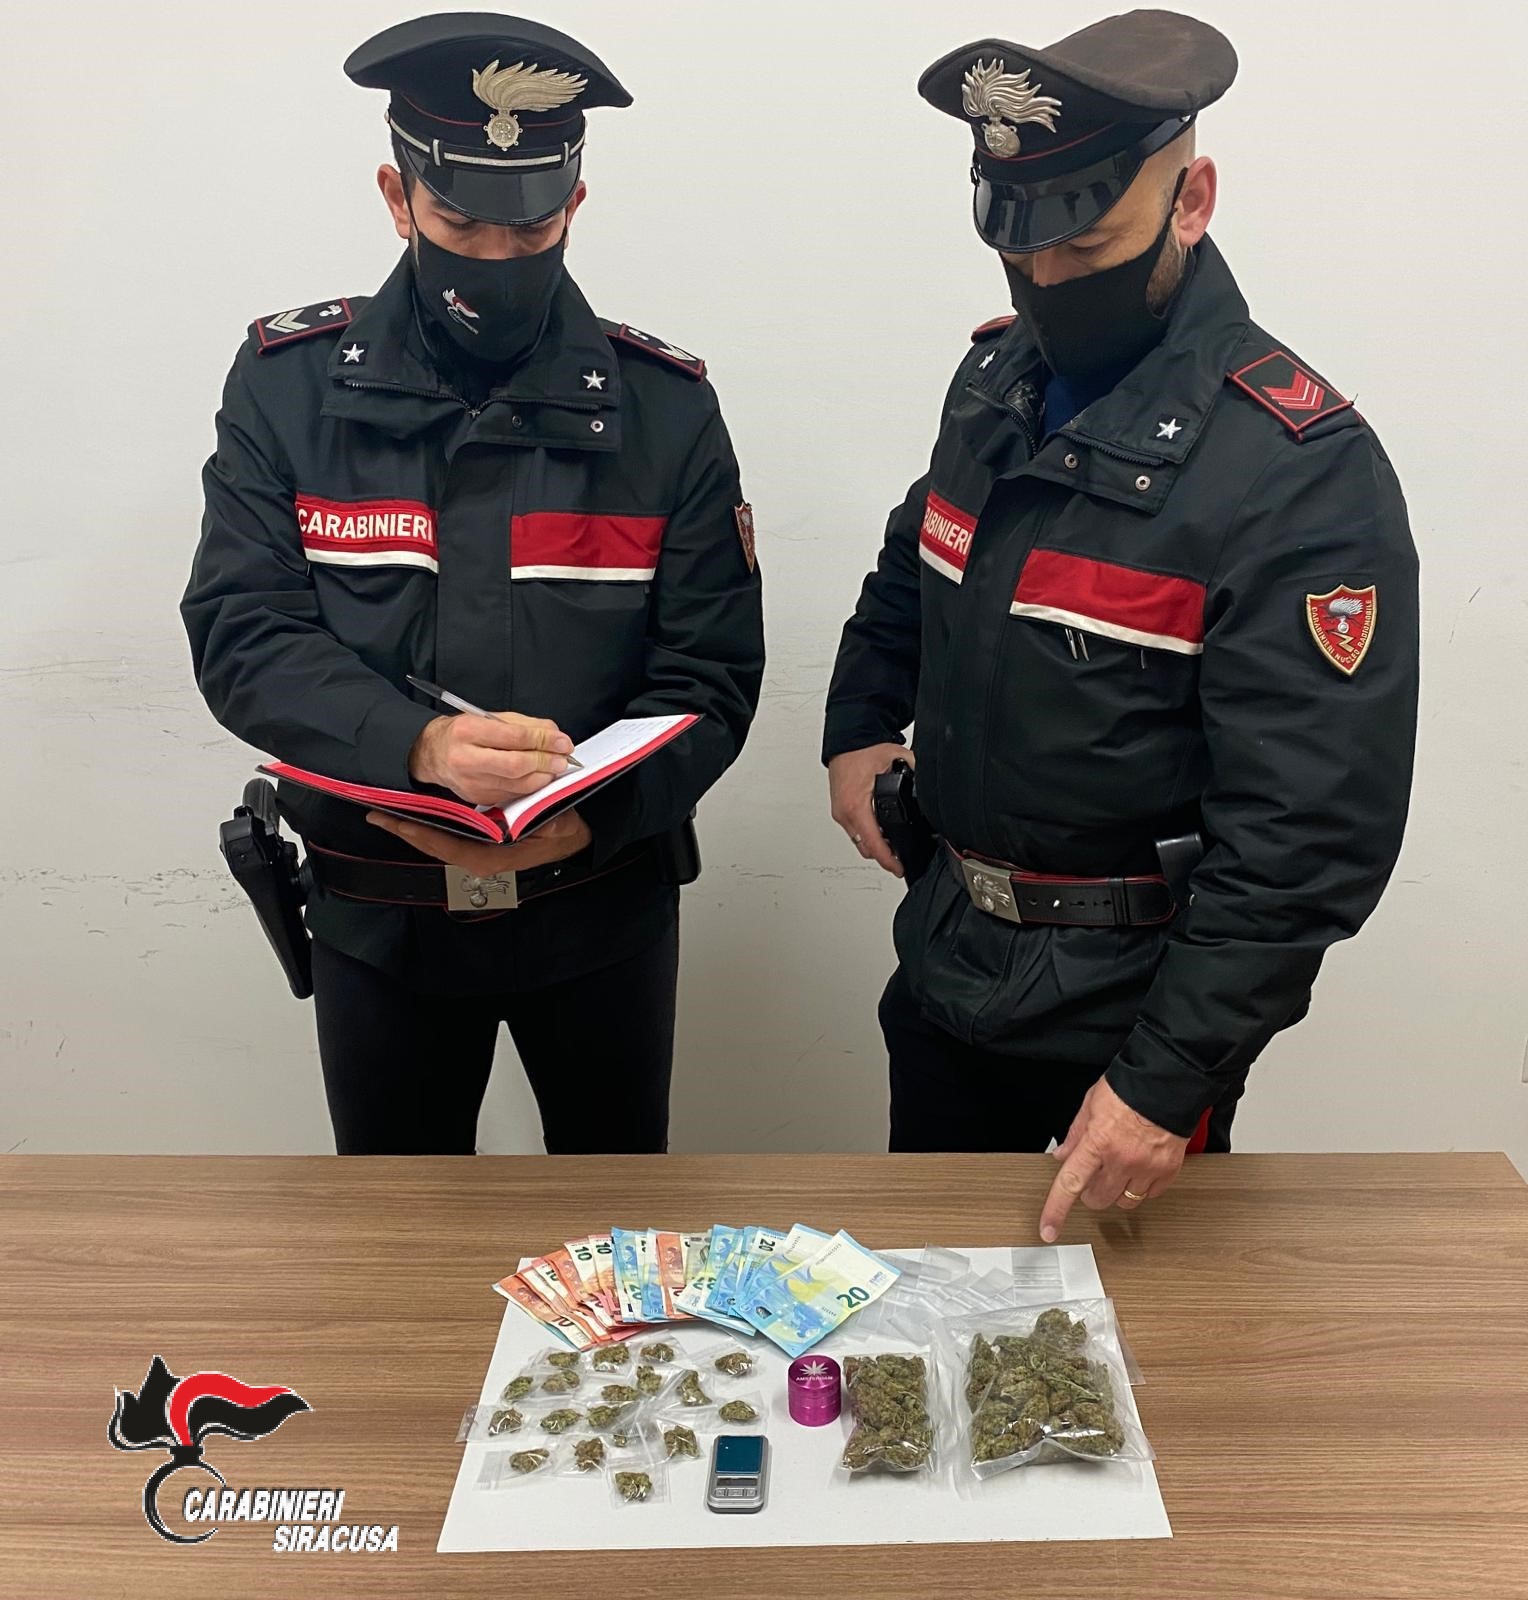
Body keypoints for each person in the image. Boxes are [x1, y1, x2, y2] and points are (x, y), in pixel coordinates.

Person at [822, 11, 1418, 1239]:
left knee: (1123, 1336)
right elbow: (913, 563)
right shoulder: (997, 384)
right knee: (926, 1301)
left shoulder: (1294, 472)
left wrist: (1162, 1081)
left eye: (1086, 240)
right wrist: (853, 725)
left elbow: (1306, 837)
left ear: (1191, 200)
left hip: (1129, 1021)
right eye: (1017, 239)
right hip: (946, 959)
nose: (1047, 279)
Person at [183, 14, 764, 1156]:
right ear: (397, 197)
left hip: (600, 911)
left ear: (575, 204)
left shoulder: (667, 410)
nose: (498, 254)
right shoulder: (286, 389)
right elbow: (243, 634)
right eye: (460, 220)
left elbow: (711, 678)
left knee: (614, 1225)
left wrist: (587, 822)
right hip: (376, 913)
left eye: (533, 223)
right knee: (397, 1234)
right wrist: (419, 746)